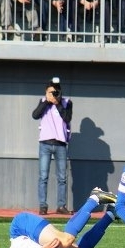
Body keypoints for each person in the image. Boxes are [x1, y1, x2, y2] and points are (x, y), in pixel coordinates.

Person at [7, 189, 118, 248]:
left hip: (20, 231)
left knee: (65, 242)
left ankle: (95, 198)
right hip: (29, 234)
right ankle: (111, 214)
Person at [33, 77, 72, 215]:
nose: (53, 95)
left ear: (60, 92)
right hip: (45, 143)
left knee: (62, 178)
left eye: (55, 92)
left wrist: (57, 104)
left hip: (61, 144)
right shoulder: (43, 102)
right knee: (43, 176)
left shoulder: (67, 102)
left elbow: (67, 118)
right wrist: (47, 102)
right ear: (46, 92)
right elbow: (35, 115)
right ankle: (43, 206)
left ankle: (61, 206)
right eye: (51, 92)